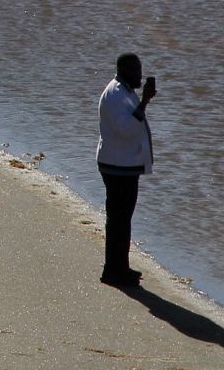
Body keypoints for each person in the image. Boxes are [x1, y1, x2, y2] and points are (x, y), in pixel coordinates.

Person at [96, 53, 157, 287]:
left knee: (122, 219)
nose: (139, 75)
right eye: (135, 71)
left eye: (139, 69)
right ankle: (112, 271)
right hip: (117, 167)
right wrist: (145, 102)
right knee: (118, 220)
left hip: (123, 165)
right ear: (123, 71)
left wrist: (142, 101)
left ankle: (120, 267)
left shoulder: (124, 90)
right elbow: (127, 129)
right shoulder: (115, 94)